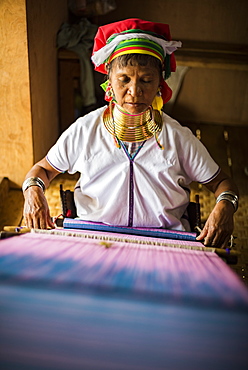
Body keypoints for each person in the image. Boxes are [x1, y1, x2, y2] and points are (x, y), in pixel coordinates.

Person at [23, 18, 239, 248]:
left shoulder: (178, 138)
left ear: (160, 83)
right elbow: (44, 169)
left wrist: (226, 205)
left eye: (146, 80)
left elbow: (222, 183)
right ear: (108, 78)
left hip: (165, 245)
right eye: (124, 79)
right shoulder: (86, 130)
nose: (134, 91)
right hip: (92, 240)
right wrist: (33, 190)